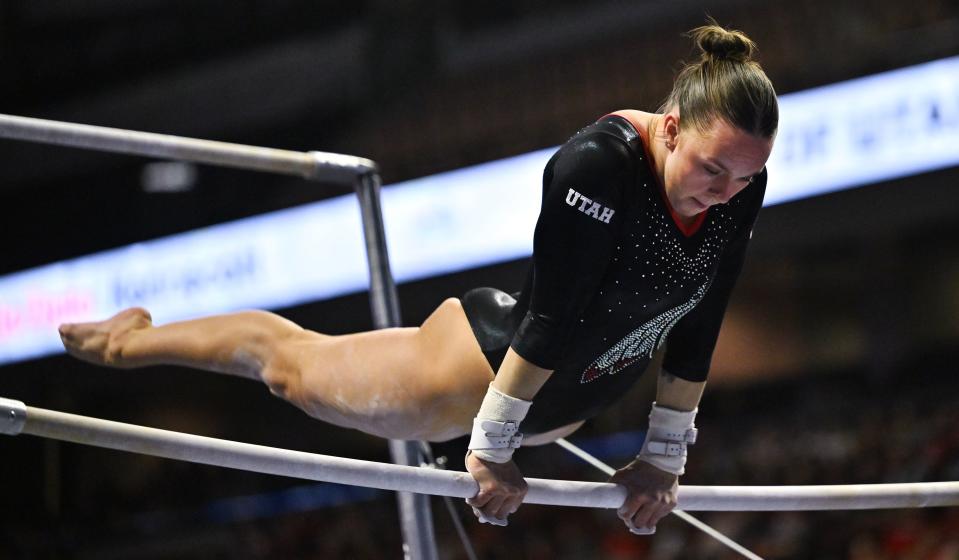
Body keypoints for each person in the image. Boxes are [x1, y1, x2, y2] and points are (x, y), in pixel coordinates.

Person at [58, 21, 778, 535]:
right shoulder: (600, 165)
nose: (724, 190)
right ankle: (129, 341)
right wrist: (490, 445)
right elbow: (554, 316)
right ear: (672, 125)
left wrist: (660, 458)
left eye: (743, 178)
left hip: (561, 400)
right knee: (290, 369)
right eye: (712, 168)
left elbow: (700, 320)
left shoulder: (738, 186)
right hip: (471, 370)